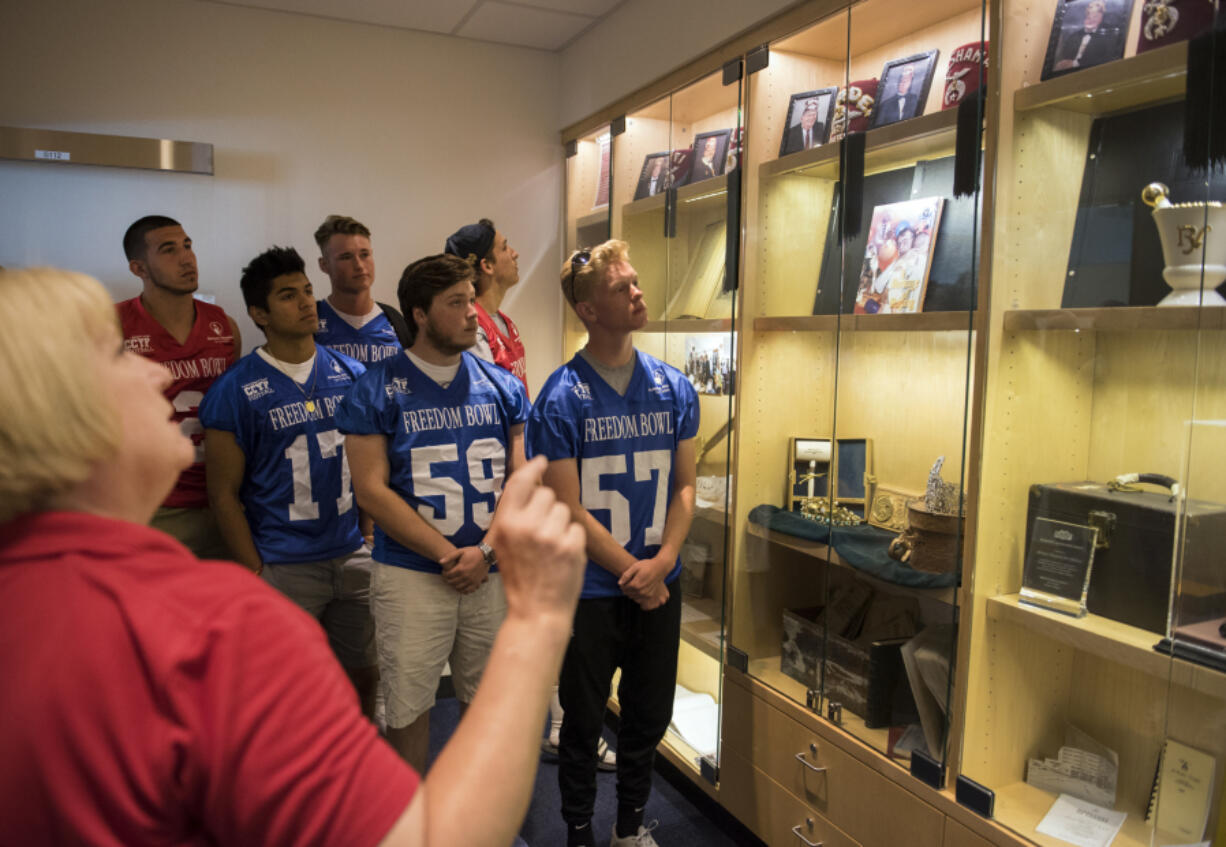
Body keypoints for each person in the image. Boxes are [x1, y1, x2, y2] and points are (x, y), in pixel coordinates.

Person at [0, 266, 586, 846]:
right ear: (54, 412)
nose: (157, 374)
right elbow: (432, 836)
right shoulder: (213, 628)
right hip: (357, 569)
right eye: (115, 356)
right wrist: (539, 622)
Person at [526, 240, 699, 847]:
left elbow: (684, 486)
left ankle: (629, 828)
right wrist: (638, 572)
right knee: (582, 718)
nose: (637, 293)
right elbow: (566, 508)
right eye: (621, 288)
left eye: (636, 282)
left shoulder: (673, 387)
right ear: (588, 311)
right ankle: (577, 831)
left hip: (659, 581)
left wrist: (667, 562)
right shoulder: (559, 398)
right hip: (592, 588)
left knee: (648, 719)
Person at [337, 253, 531, 773]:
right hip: (411, 575)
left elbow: (521, 477)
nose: (473, 312)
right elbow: (371, 491)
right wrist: (452, 556)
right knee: (408, 708)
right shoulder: (375, 387)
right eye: (456, 302)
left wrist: (486, 551)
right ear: (420, 315)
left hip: (489, 570)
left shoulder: (501, 386)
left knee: (488, 705)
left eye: (472, 299)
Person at [199, 246, 379, 718]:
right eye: (287, 296)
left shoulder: (350, 373)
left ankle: (360, 769)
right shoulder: (235, 390)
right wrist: (255, 571)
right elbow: (222, 493)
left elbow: (366, 469)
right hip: (284, 564)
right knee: (289, 689)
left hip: (351, 553)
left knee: (365, 672)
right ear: (259, 313)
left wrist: (370, 534)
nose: (305, 303)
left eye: (306, 291)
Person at [117, 214, 241, 558]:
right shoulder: (113, 325)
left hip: (224, 499)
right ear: (138, 268)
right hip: (157, 505)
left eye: (188, 246)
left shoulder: (224, 325)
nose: (187, 258)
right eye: (168, 250)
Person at [444, 218, 529, 391]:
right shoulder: (472, 329)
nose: (515, 253)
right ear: (488, 266)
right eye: (505, 247)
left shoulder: (505, 322)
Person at [313, 214, 412, 362]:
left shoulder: (395, 321)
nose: (359, 265)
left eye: (364, 255)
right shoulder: (311, 320)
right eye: (346, 257)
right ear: (324, 265)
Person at [1052, 0, 1118, 72]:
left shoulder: (1107, 38)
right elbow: (1063, 58)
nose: (1091, 19)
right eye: (1089, 15)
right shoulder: (1073, 37)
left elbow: (1106, 61)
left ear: (1101, 18)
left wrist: (1074, 64)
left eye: (1095, 16)